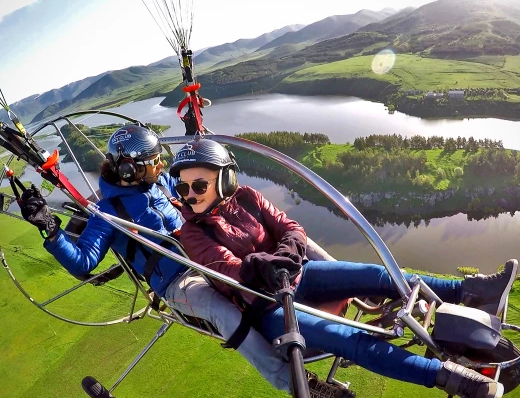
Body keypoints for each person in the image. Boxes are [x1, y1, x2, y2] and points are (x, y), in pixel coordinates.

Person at [18, 125, 355, 397]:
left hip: (209, 252)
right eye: (153, 162)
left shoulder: (161, 183)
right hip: (178, 281)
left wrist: (197, 138)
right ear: (129, 169)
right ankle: (301, 385)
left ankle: (362, 298)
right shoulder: (107, 213)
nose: (161, 166)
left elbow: (193, 180)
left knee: (290, 242)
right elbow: (83, 262)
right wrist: (50, 229)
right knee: (222, 310)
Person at [169, 137, 520, 398]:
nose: (191, 194)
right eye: (183, 187)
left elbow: (291, 228)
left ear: (226, 179)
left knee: (380, 276)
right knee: (349, 340)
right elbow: (231, 272)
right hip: (266, 305)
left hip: (299, 274)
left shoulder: (248, 197)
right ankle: (454, 379)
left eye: (199, 185)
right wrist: (273, 262)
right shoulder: (193, 231)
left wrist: (288, 252)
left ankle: (474, 292)